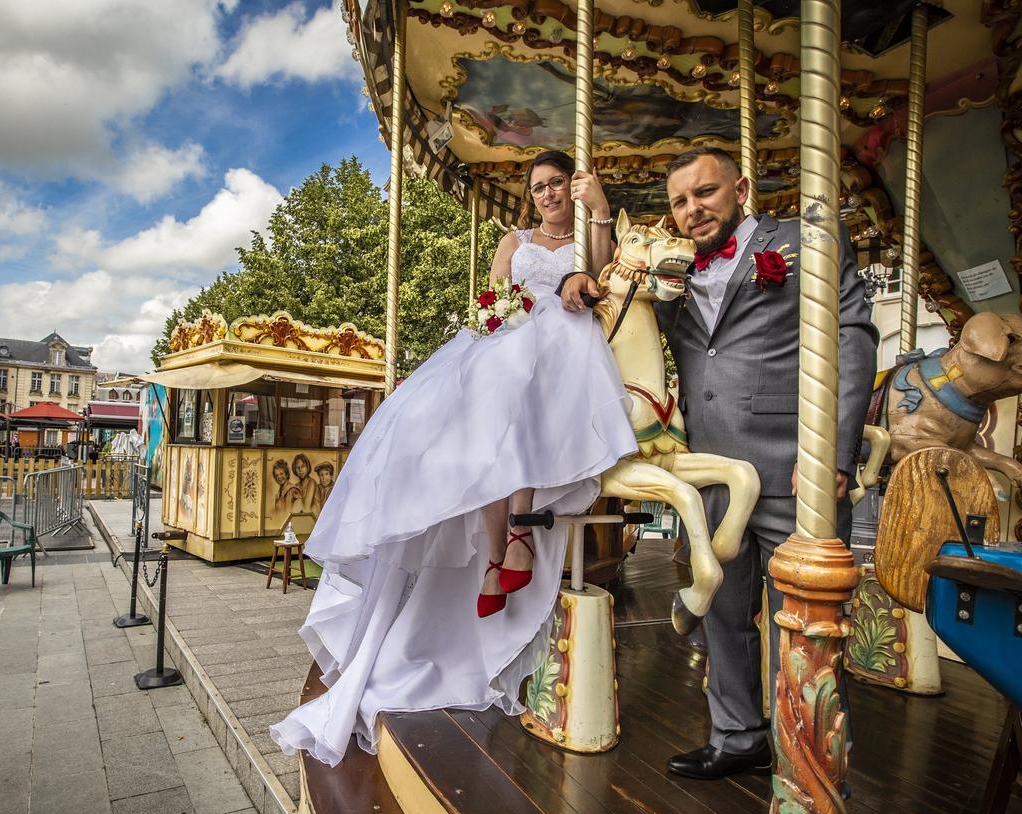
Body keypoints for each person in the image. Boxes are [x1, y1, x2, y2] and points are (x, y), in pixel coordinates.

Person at [271, 151, 638, 767]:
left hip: (570, 339)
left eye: (557, 185)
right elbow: (495, 295)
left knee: (516, 393)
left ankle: (511, 545)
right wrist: (500, 316)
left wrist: (597, 209)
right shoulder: (515, 238)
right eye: (539, 187)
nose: (548, 194)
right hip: (513, 337)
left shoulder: (589, 232)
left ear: (572, 186)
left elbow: (601, 279)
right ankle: (503, 548)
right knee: (475, 417)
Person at [561, 146, 878, 780]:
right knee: (726, 616)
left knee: (807, 627)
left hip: (795, 465)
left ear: (740, 186)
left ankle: (811, 762)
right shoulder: (673, 272)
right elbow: (621, 295)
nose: (692, 211)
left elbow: (852, 335)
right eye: (680, 201)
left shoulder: (799, 240)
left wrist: (833, 451)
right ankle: (738, 735)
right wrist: (577, 279)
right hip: (710, 467)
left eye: (704, 193)